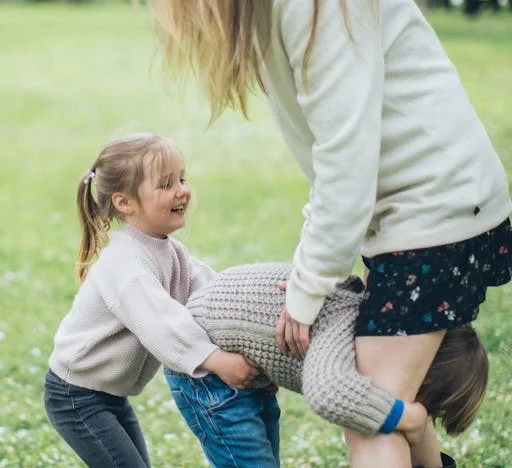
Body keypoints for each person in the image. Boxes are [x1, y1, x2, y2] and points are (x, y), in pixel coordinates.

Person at [148, 1, 512, 466]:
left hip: (429, 214)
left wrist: (308, 287)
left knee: (371, 417)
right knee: (386, 407)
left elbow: (346, 162)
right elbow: (335, 165)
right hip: (428, 212)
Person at [43, 133, 259, 468]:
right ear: (124, 203)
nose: (182, 190)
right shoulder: (125, 263)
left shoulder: (167, 250)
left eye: (182, 179)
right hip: (76, 396)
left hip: (109, 395)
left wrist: (257, 302)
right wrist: (217, 361)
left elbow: (210, 292)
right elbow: (161, 324)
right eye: (166, 184)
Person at [166, 262, 487, 468]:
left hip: (248, 367)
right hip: (209, 366)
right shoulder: (344, 328)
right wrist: (406, 415)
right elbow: (329, 394)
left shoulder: (379, 326)